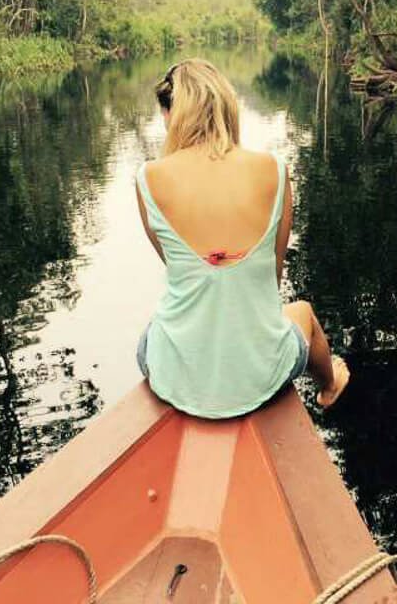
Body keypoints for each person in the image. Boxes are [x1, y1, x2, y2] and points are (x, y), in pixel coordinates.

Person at [134, 58, 350, 418]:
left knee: (157, 327)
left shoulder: (148, 178)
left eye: (164, 115)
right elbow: (270, 281)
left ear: (175, 113)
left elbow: (180, 271)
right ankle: (330, 387)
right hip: (259, 377)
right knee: (302, 313)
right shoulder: (274, 171)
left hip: (175, 377)